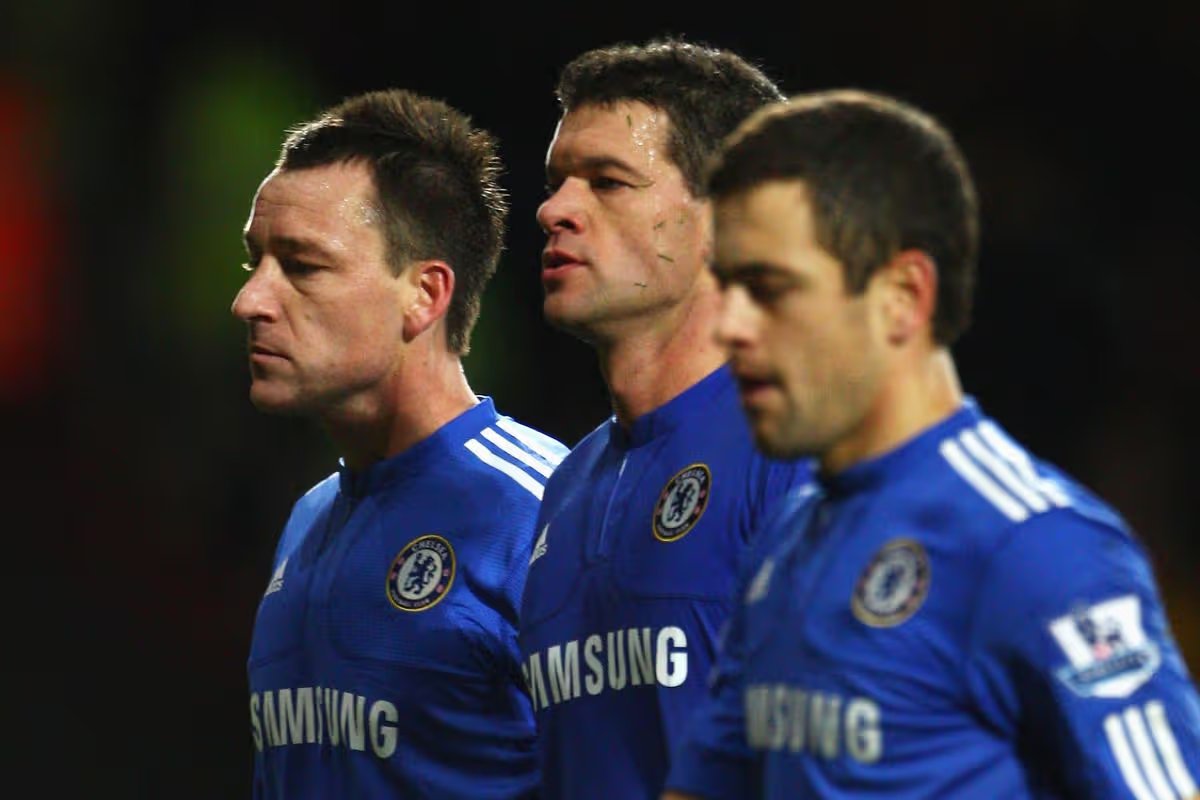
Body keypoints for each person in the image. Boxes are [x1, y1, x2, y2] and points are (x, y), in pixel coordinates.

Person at [662, 89, 1200, 799]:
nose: (729, 325)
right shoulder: (786, 540)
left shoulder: (1034, 544)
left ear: (902, 297)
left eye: (769, 288)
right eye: (726, 286)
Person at [232, 88, 568, 799]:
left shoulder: (547, 511)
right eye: (253, 262)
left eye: (302, 266)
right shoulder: (307, 522)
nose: (250, 301)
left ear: (424, 294)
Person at [517, 37, 815, 799]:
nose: (554, 210)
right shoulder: (566, 488)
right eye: (556, 183)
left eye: (607, 182)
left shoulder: (803, 455)